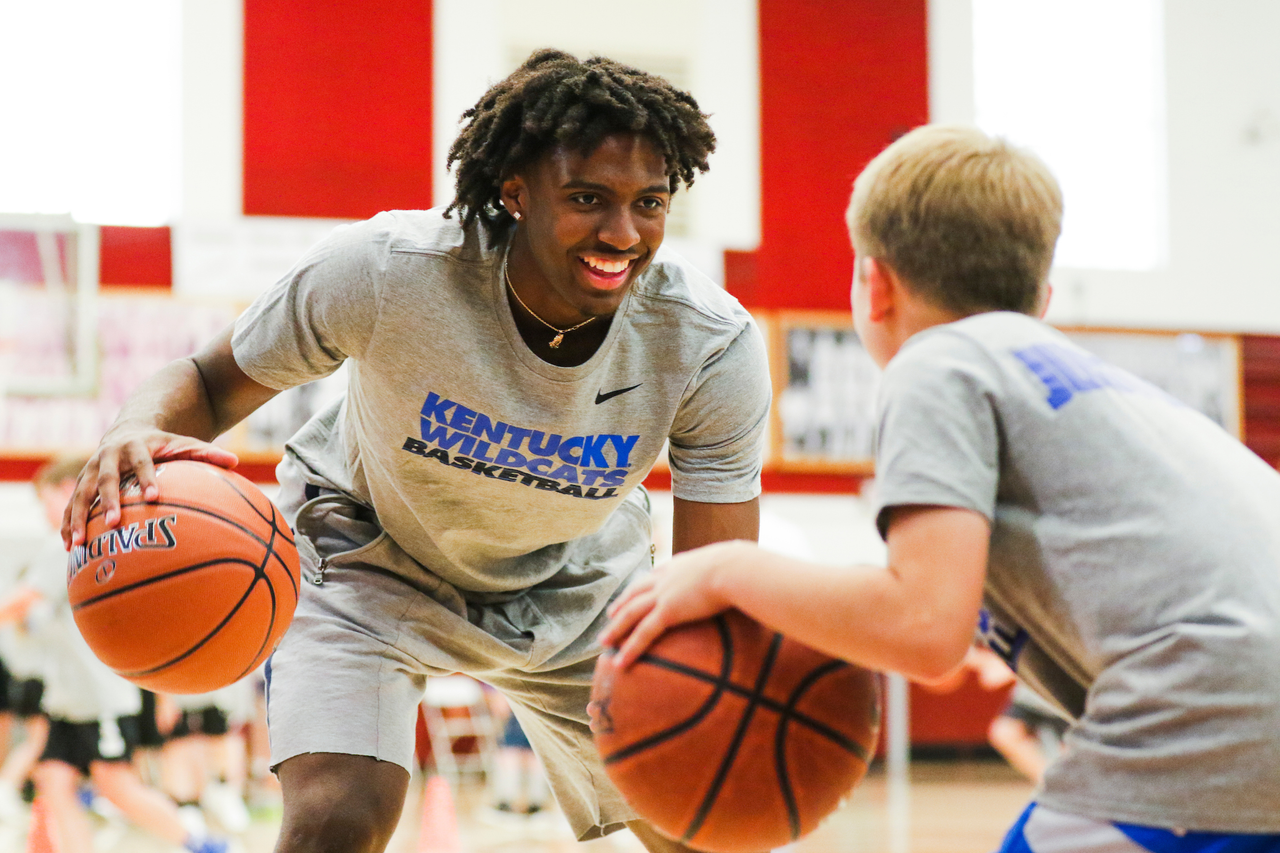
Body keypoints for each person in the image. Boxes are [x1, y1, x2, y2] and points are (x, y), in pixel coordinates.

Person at [63, 49, 770, 853]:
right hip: (369, 552)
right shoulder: (388, 271)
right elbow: (209, 381)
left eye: (650, 202)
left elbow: (714, 586)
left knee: (709, 828)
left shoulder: (709, 344)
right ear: (516, 192)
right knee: (335, 819)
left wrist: (715, 719)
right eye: (587, 199)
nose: (622, 232)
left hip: (577, 578)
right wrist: (132, 430)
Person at [601, 124, 1280, 852]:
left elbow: (925, 628)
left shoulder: (937, 362)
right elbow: (952, 625)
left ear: (874, 283)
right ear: (1042, 296)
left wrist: (725, 568)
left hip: (1214, 719)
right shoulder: (1097, 388)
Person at [6, 456, 230, 853]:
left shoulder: (73, 539)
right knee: (53, 778)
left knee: (118, 787)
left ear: (64, 492)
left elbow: (25, 600)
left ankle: (203, 844)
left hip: (99, 699)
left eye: (43, 500)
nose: (42, 511)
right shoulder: (73, 545)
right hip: (69, 700)